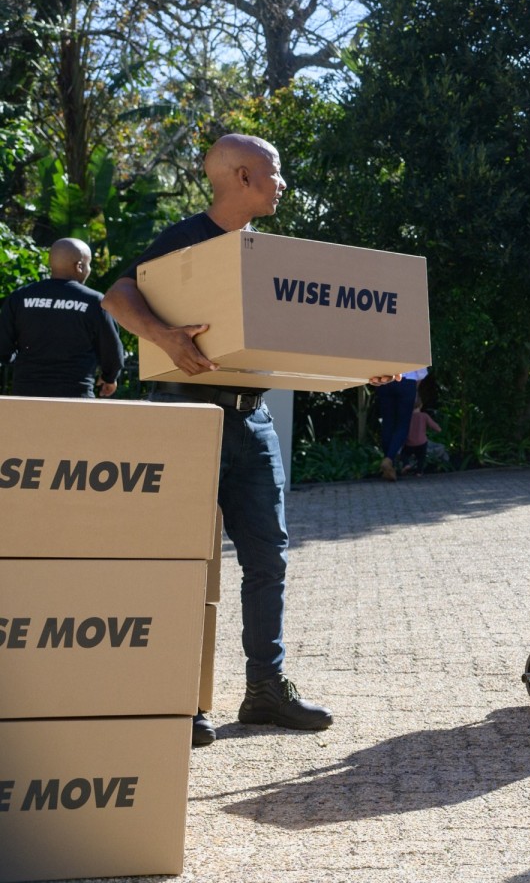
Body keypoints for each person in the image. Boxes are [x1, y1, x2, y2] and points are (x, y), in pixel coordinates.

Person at [103, 134, 391, 748]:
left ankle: (264, 690)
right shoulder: (183, 241)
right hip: (187, 418)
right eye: (274, 171)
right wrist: (164, 335)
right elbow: (117, 295)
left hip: (252, 422)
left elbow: (312, 330)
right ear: (240, 175)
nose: (282, 182)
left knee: (268, 560)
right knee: (183, 564)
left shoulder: (267, 255)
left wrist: (366, 366)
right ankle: (177, 699)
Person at [0, 238, 125, 398]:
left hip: (26, 395)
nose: (89, 269)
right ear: (79, 266)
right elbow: (111, 350)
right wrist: (109, 377)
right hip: (75, 396)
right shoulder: (95, 302)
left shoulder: (20, 297)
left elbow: (3, 347)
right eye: (89, 264)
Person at [375, 367, 428, 480]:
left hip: (384, 381)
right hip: (406, 381)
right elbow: (421, 370)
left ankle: (389, 465)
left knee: (387, 423)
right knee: (403, 425)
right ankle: (389, 459)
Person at [401, 393, 440, 476]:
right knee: (421, 457)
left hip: (409, 442)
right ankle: (419, 472)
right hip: (422, 442)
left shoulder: (407, 417)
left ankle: (406, 464)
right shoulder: (424, 416)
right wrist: (438, 429)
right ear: (421, 405)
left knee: (404, 454)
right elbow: (433, 425)